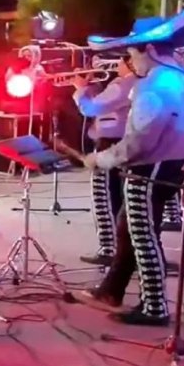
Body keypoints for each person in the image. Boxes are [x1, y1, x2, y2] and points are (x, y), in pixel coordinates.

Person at [77, 11, 184, 326]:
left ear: (149, 50)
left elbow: (137, 143)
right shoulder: (179, 76)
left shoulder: (154, 84)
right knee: (131, 230)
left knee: (142, 235)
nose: (130, 60)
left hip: (148, 169)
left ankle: (154, 306)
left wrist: (100, 159)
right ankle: (111, 290)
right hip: (169, 164)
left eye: (132, 52)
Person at [71, 53, 142, 266]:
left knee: (104, 198)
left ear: (129, 63)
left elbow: (91, 108)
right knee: (115, 199)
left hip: (110, 144)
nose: (115, 66)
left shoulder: (124, 84)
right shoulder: (131, 83)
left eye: (119, 61)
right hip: (117, 141)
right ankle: (117, 251)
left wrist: (79, 88)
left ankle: (109, 249)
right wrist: (90, 85)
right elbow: (101, 102)